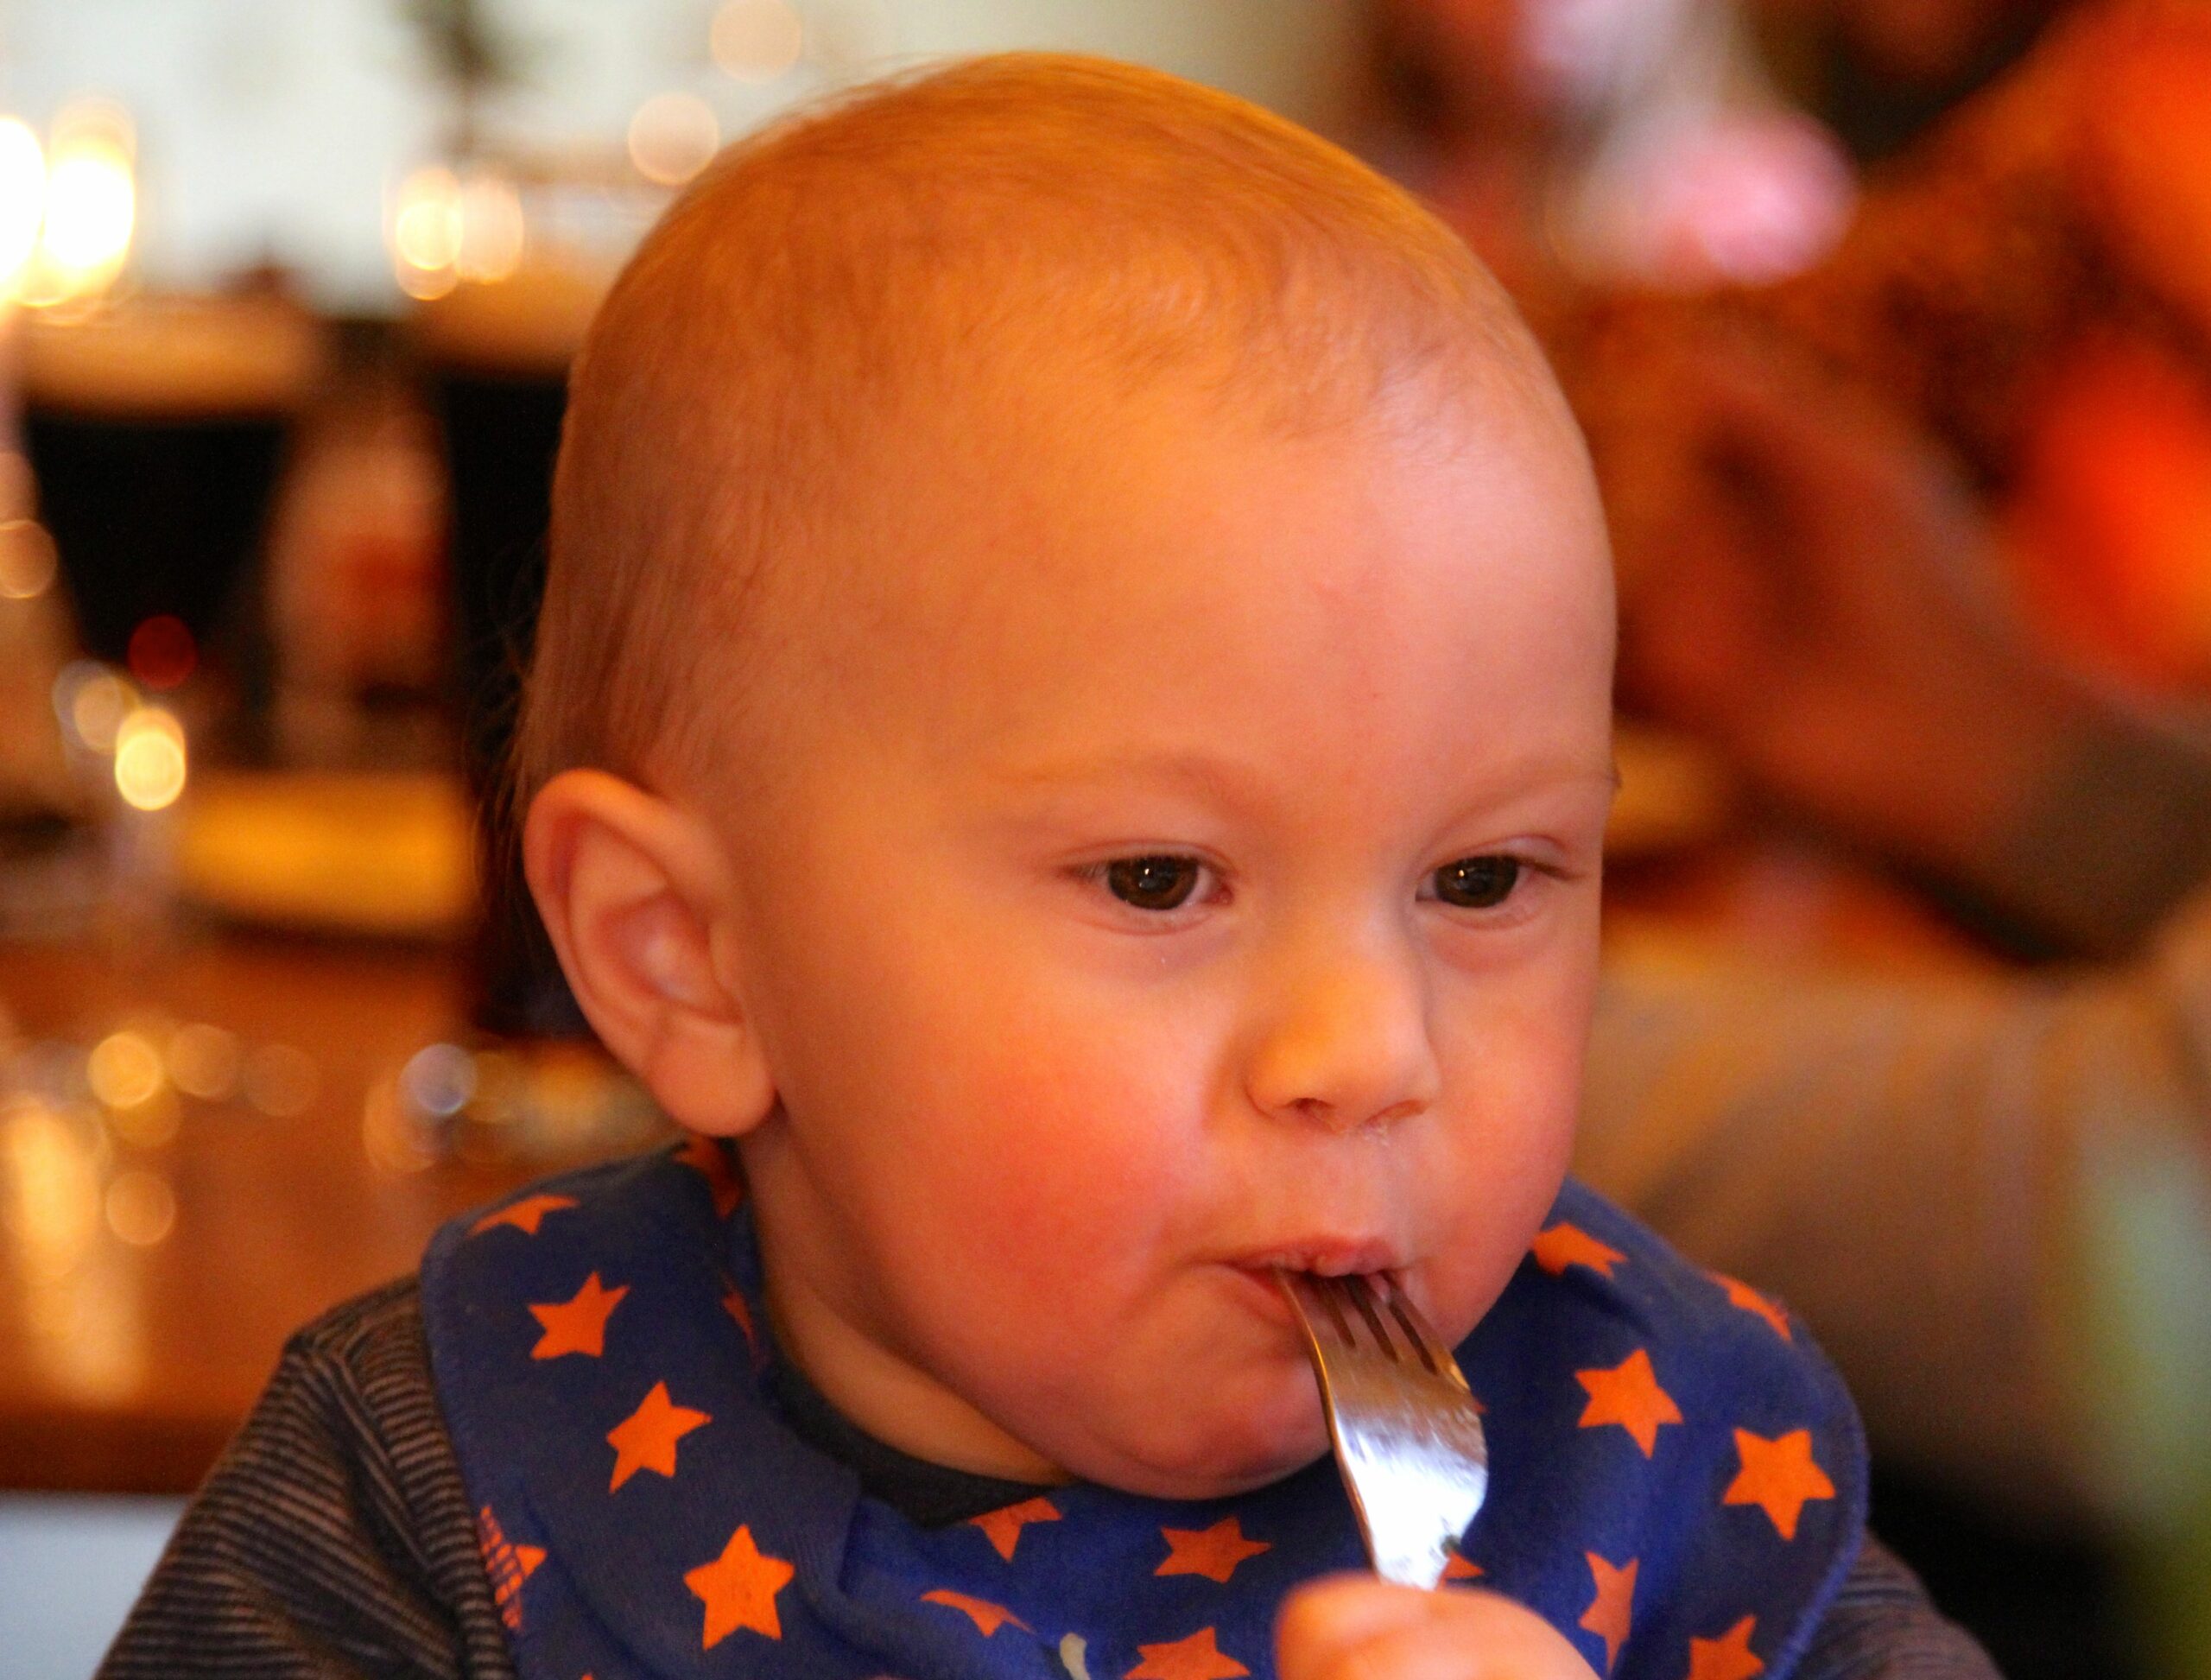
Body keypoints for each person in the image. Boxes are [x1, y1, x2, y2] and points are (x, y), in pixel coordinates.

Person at [101, 58, 1992, 1680]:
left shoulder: (1666, 1477)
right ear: (688, 956)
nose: (1372, 1049)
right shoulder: (449, 1484)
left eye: (1484, 881)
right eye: (1160, 881)